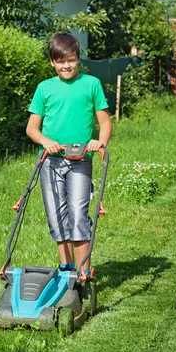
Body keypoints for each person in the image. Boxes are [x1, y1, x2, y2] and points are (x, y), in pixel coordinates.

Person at [26, 33, 112, 280]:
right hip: (49, 162)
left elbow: (105, 122)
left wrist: (100, 142)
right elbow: (32, 128)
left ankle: (83, 272)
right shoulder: (44, 88)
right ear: (52, 62)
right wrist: (46, 141)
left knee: (77, 213)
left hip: (80, 159)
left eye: (71, 60)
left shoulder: (91, 84)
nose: (66, 66)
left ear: (78, 60)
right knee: (56, 215)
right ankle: (66, 270)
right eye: (60, 61)